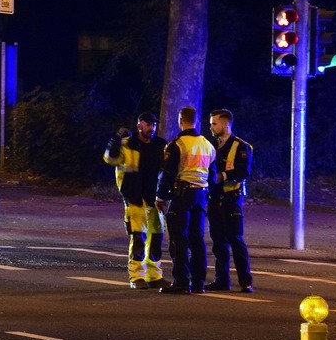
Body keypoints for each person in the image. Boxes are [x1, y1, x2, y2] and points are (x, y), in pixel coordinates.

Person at [103, 111, 167, 289]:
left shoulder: (160, 145)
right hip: (134, 198)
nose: (151, 128)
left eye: (153, 125)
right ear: (139, 125)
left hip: (154, 199)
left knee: (155, 238)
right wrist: (115, 140)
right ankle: (136, 276)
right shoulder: (127, 144)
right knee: (138, 237)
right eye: (148, 124)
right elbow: (110, 158)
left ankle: (154, 275)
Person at [156, 106, 216, 294]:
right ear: (196, 121)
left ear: (180, 120)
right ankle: (198, 283)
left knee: (178, 239)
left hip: (181, 195)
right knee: (197, 239)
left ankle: (181, 282)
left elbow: (167, 174)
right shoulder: (208, 145)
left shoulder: (177, 145)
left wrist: (161, 196)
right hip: (201, 195)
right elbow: (212, 176)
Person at [206, 109, 255, 292]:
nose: (211, 127)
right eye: (211, 123)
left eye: (214, 123)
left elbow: (244, 171)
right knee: (218, 241)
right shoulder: (210, 144)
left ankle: (245, 281)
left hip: (231, 199)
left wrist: (223, 175)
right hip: (214, 197)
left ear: (226, 124)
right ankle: (221, 280)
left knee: (236, 239)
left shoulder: (241, 146)